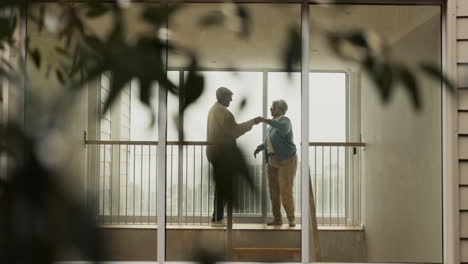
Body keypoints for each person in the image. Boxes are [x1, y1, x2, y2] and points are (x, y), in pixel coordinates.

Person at [206, 87, 261, 226]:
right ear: (223, 97)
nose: (231, 99)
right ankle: (217, 218)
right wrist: (252, 122)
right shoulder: (222, 112)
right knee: (223, 187)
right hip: (222, 154)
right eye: (229, 97)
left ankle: (217, 217)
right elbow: (235, 131)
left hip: (215, 152)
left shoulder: (214, 110)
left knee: (221, 186)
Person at [254, 100, 297, 227]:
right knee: (273, 192)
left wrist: (265, 120)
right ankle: (277, 218)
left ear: (280, 109)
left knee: (285, 190)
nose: (270, 109)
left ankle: (291, 218)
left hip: (287, 160)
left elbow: (283, 129)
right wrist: (260, 147)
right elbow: (269, 142)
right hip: (272, 160)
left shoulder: (285, 121)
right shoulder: (270, 126)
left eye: (273, 107)